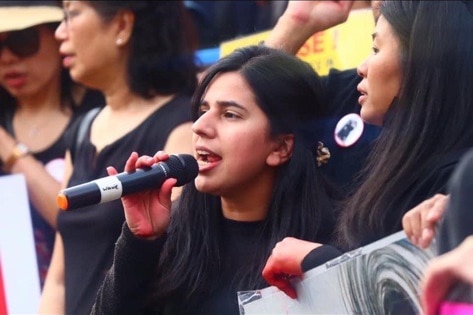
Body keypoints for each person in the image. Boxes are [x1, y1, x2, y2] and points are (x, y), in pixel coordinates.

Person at [89, 44, 339, 315]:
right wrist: (139, 242)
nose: (199, 127)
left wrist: (322, 266)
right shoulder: (174, 234)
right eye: (203, 110)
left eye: (230, 114)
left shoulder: (331, 239)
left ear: (280, 147)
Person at [262, 0, 473, 299]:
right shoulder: (376, 124)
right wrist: (295, 23)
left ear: (420, 63)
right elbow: (250, 101)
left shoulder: (456, 190)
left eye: (375, 50)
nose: (361, 68)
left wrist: (323, 264)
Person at [38, 1, 198, 314]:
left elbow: (174, 267)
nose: (60, 32)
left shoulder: (183, 128)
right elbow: (58, 279)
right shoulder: (83, 130)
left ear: (122, 25)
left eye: (72, 14)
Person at [0, 0, 104, 288]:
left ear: (59, 34)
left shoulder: (102, 116)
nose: (7, 58)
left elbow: (79, 222)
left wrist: (11, 152)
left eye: (22, 41)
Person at [264, 0, 382, 193]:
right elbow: (241, 105)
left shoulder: (447, 114)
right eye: (375, 49)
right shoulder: (349, 88)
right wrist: (295, 23)